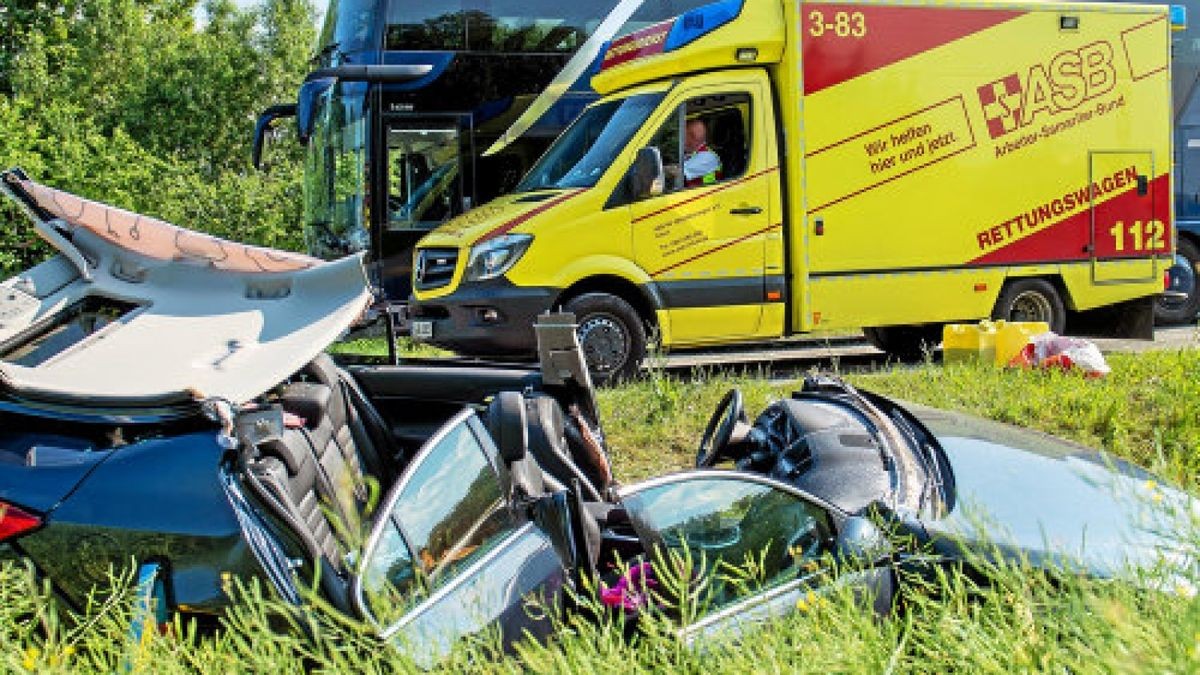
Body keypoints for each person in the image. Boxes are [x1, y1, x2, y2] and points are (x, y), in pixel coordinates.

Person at [682, 118, 723, 187]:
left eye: (683, 134)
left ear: (692, 136)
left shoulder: (707, 157)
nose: (681, 138)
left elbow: (679, 172)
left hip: (707, 196)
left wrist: (661, 168)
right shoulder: (691, 153)